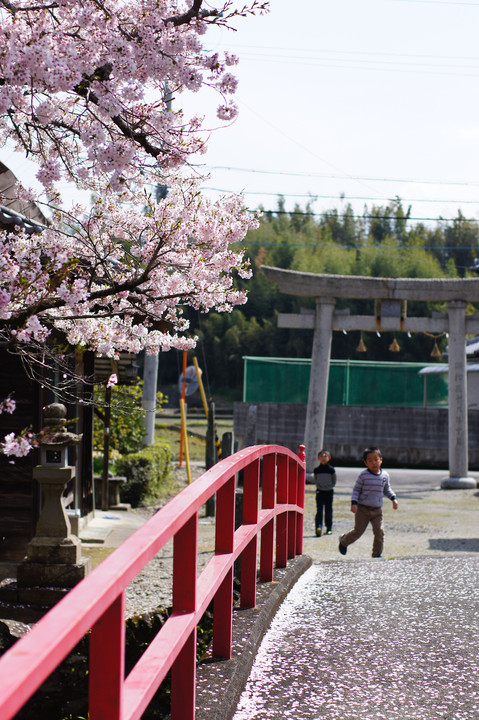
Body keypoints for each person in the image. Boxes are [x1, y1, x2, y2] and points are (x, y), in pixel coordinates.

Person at [338, 446, 398, 558]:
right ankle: (344, 541)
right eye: (370, 460)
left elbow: (387, 489)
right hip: (363, 509)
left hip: (377, 510)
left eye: (376, 459)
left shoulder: (385, 476)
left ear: (381, 460)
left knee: (379, 531)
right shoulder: (363, 476)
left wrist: (393, 499)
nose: (373, 462)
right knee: (358, 531)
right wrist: (354, 503)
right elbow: (356, 490)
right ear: (366, 463)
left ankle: (377, 553)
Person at [313, 449, 336, 537]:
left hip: (329, 492)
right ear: (318, 458)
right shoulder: (316, 470)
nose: (323, 458)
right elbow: (316, 480)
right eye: (321, 456)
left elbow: (334, 481)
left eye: (325, 456)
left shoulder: (331, 470)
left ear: (329, 458)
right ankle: (318, 527)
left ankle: (329, 528)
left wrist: (329, 487)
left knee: (328, 510)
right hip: (319, 491)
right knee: (319, 510)